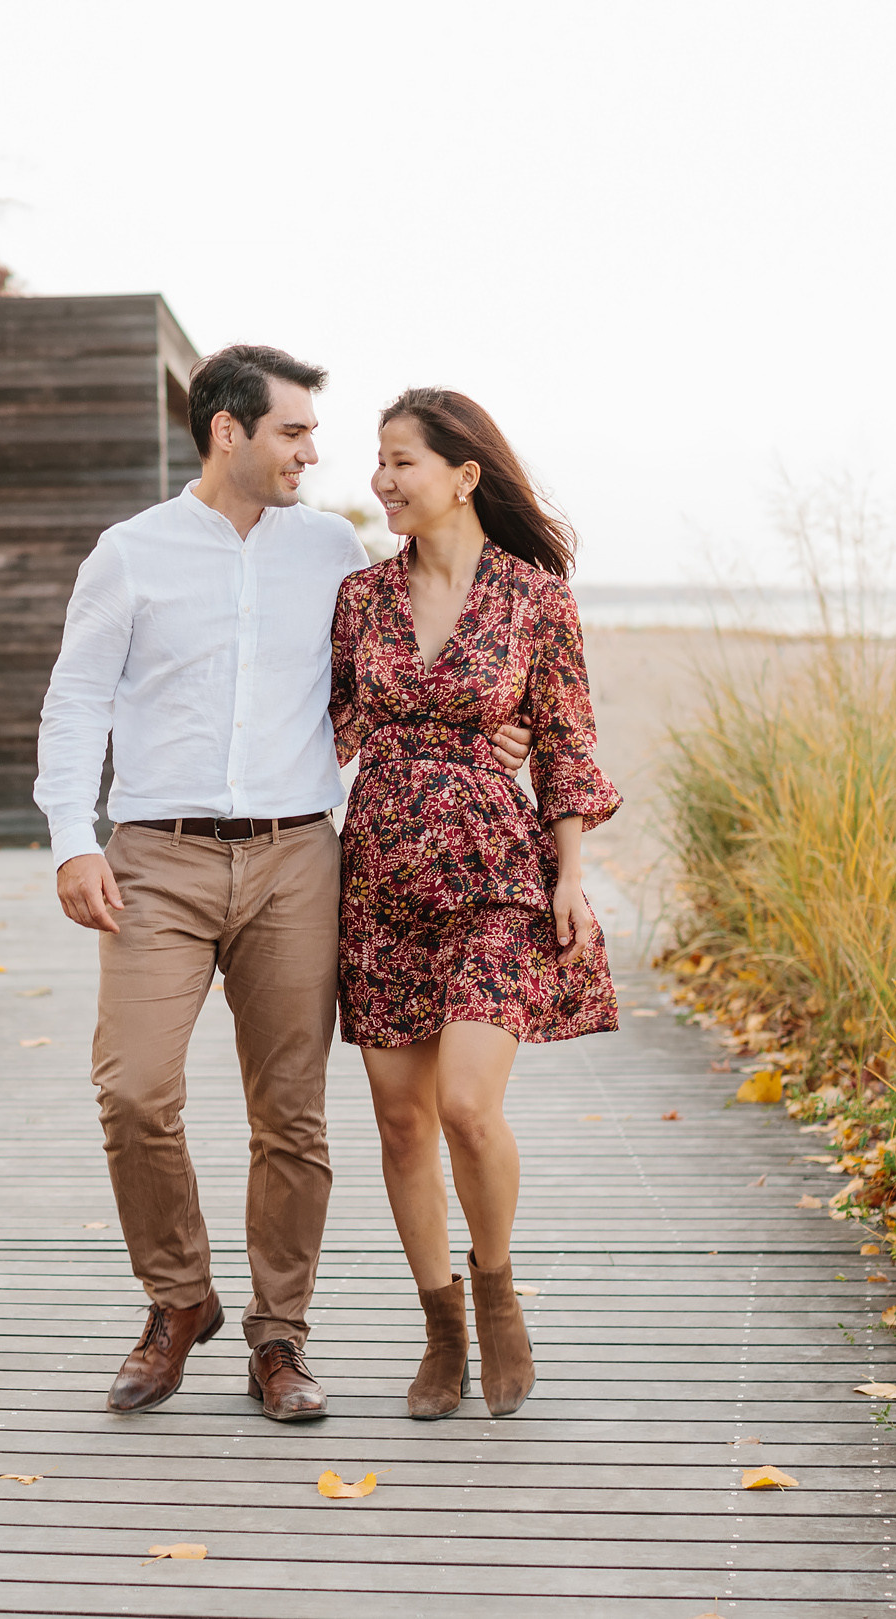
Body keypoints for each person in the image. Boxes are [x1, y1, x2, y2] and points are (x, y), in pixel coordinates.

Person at [34, 346, 531, 1421]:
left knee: (292, 1117)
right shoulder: (130, 554)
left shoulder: (336, 554)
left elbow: (406, 677)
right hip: (155, 858)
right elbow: (75, 700)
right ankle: (178, 1301)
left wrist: (493, 748)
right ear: (228, 433)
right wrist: (73, 837)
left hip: (302, 858)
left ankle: (277, 1337)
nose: (317, 451)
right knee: (133, 1091)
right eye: (295, 433)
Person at [329, 386, 620, 1419]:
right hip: (378, 877)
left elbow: (567, 741)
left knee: (463, 1104)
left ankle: (497, 1293)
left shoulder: (535, 599)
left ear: (462, 476)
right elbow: (321, 726)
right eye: (377, 459)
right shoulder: (360, 599)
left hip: (497, 872)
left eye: (400, 461)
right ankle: (440, 1325)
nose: (381, 479)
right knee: (401, 1124)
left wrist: (570, 872)